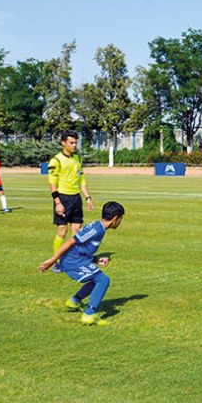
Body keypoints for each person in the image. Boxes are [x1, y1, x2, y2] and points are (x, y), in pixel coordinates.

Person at [38, 201, 125, 326]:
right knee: (103, 280)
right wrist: (52, 261)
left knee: (95, 279)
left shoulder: (99, 228)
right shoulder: (96, 230)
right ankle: (90, 315)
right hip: (73, 261)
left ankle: (74, 301)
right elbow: (70, 242)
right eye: (121, 218)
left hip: (79, 259)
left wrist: (95, 259)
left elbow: (81, 248)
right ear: (116, 218)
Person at [48, 131, 93, 273]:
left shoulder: (77, 159)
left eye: (75, 142)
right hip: (63, 198)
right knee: (62, 230)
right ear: (63, 143)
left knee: (77, 231)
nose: (74, 145)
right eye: (71, 142)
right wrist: (57, 202)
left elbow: (82, 180)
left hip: (76, 198)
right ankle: (57, 262)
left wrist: (87, 197)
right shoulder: (56, 160)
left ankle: (75, 260)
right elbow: (52, 183)